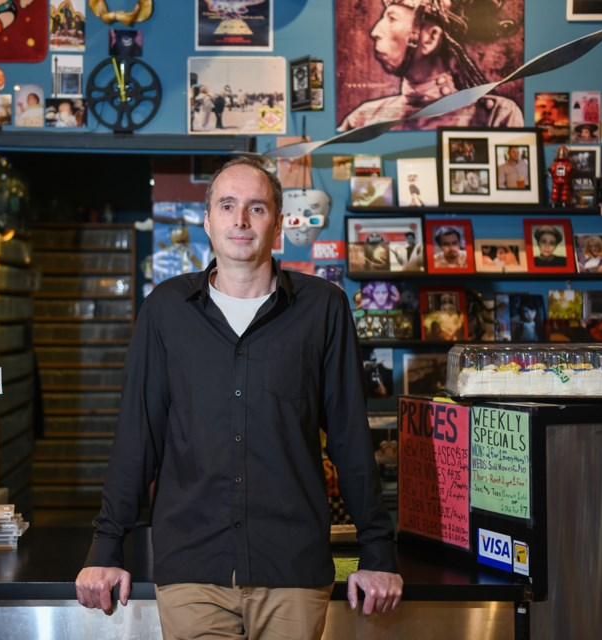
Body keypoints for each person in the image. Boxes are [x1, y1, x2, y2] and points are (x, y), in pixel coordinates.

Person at [75, 157, 402, 637]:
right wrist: (106, 546)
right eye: (227, 206)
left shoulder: (323, 308)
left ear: (278, 224)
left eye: (256, 208)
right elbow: (137, 435)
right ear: (207, 221)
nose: (240, 220)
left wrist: (378, 550)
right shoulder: (166, 310)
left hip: (291, 564)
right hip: (191, 567)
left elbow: (351, 435)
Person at [338, 0, 523, 131]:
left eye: (392, 19)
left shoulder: (497, 115)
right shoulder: (362, 119)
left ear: (431, 38)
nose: (375, 31)